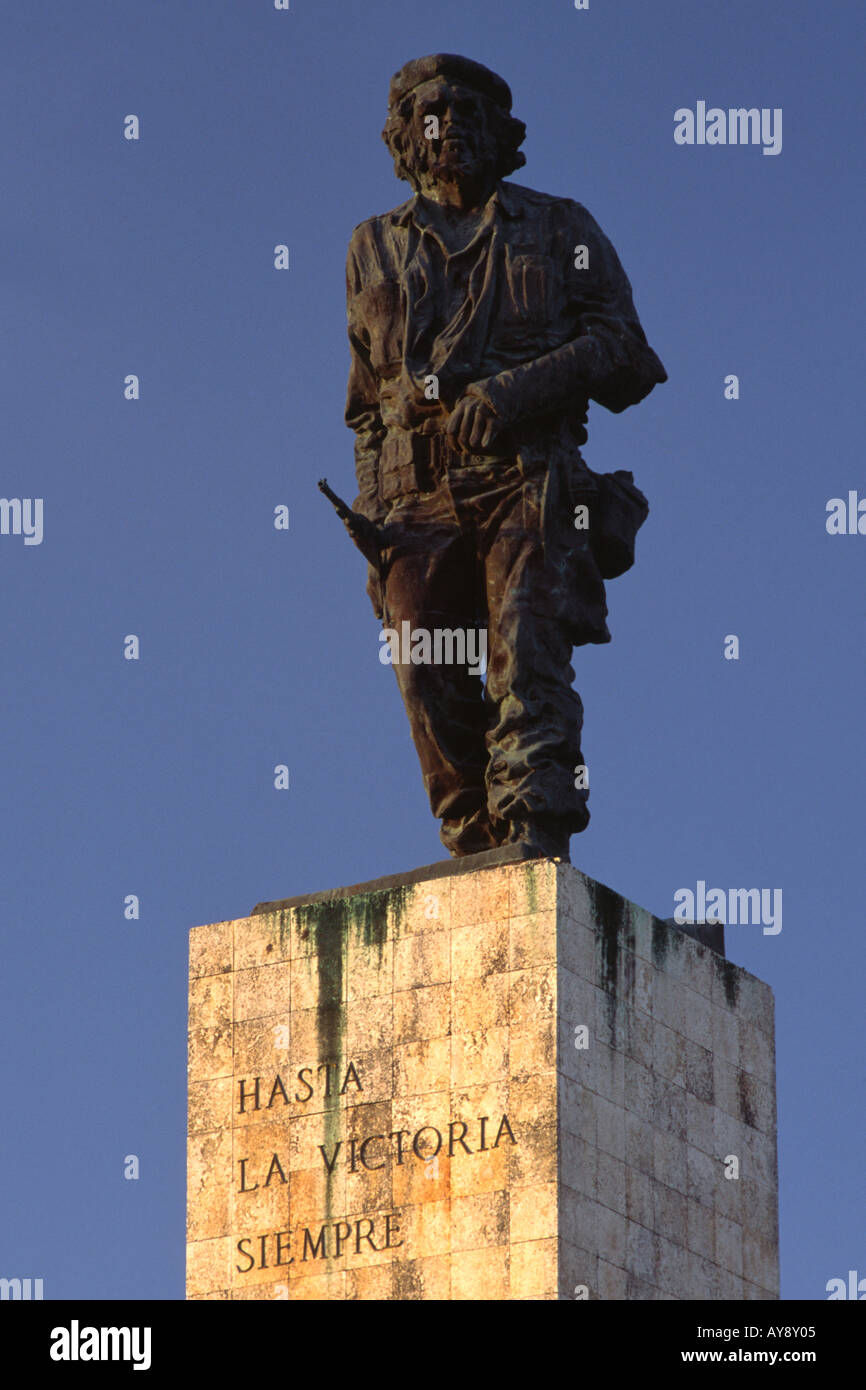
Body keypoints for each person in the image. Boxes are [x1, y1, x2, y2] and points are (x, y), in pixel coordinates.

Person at [344, 54, 666, 859]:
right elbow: (363, 405)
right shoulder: (371, 247)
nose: (446, 124)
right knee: (422, 670)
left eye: (464, 111)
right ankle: (473, 836)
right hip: (413, 501)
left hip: (527, 481)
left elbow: (627, 354)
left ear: (502, 136)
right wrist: (375, 517)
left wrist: (515, 394)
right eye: (428, 112)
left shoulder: (561, 228)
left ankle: (534, 829)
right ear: (401, 137)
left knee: (525, 647)